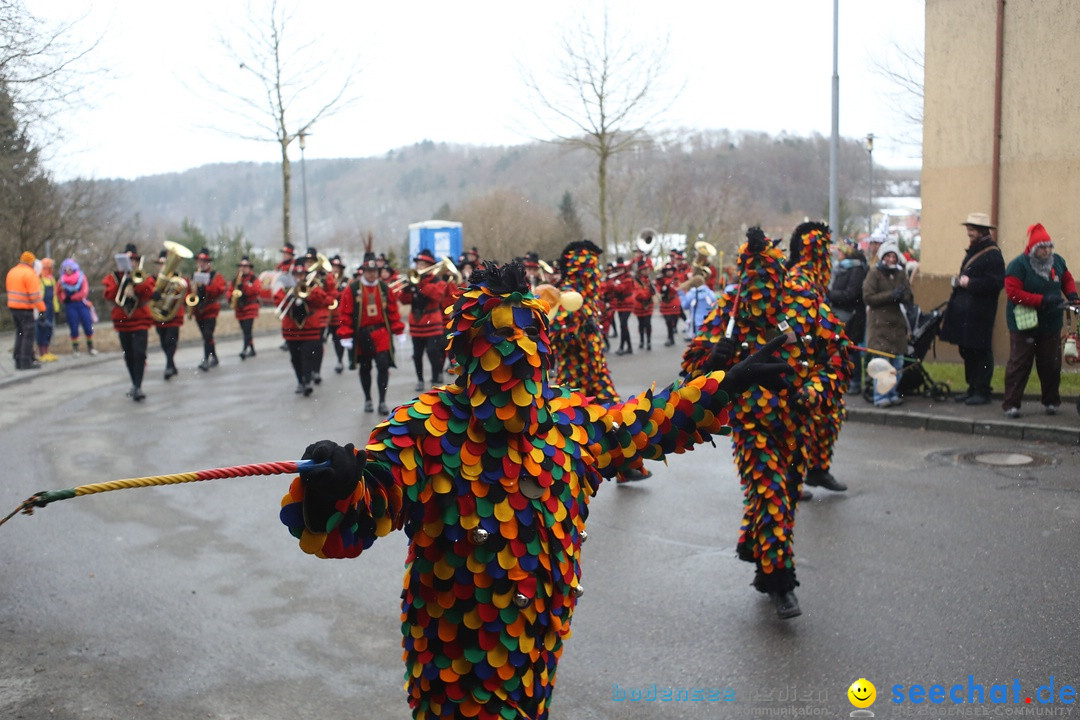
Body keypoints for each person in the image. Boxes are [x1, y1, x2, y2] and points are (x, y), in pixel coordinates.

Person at [281, 260, 790, 720]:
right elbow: (362, 513)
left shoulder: (569, 420)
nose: (515, 359)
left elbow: (643, 424)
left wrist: (726, 383)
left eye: (527, 343)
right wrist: (339, 486)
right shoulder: (423, 428)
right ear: (466, 349)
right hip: (458, 675)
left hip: (537, 657)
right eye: (500, 344)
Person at [681, 227, 851, 619]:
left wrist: (813, 390)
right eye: (750, 276)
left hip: (796, 421)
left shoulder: (806, 304)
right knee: (770, 492)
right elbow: (692, 370)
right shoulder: (730, 307)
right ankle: (779, 581)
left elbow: (837, 359)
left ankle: (754, 545)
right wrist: (713, 359)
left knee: (784, 495)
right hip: (750, 422)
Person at [1001, 223, 1079, 418]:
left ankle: (1051, 401)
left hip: (1050, 323)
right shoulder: (1018, 265)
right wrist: (1042, 300)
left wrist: (1072, 295)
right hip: (1024, 324)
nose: (1046, 251)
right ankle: (1011, 404)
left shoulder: (1057, 262)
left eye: (1048, 247)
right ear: (1034, 249)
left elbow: (1067, 278)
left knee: (1051, 364)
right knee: (1020, 364)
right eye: (1042, 247)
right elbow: (1013, 294)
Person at [940, 212, 1005, 405]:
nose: (969, 231)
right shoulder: (975, 250)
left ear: (983, 231)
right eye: (969, 227)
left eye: (973, 228)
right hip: (968, 311)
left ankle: (982, 390)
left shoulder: (992, 254)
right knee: (967, 349)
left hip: (981, 312)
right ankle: (972, 388)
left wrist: (971, 283)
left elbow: (996, 283)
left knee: (980, 350)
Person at [337, 252, 405, 414]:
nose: (372, 274)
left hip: (381, 333)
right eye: (368, 271)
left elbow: (393, 311)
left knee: (383, 365)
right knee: (365, 367)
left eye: (375, 271)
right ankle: (368, 398)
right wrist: (346, 333)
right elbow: (345, 313)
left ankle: (382, 400)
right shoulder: (352, 289)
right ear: (363, 271)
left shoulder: (384, 289)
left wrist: (398, 330)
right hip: (362, 335)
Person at [862, 241, 914, 407]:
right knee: (882, 364)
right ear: (883, 257)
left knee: (897, 363)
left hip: (896, 325)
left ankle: (893, 392)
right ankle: (880, 396)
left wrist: (902, 296)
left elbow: (909, 296)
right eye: (888, 256)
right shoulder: (874, 274)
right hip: (879, 325)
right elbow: (868, 297)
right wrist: (891, 295)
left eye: (894, 256)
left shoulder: (900, 274)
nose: (891, 259)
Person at [102, 243, 156, 401]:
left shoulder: (142, 276)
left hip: (140, 319)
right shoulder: (113, 277)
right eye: (128, 260)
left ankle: (138, 386)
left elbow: (149, 292)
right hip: (122, 320)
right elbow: (108, 295)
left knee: (140, 353)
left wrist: (136, 287)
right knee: (129, 354)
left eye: (133, 260)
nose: (131, 263)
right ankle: (134, 383)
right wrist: (124, 284)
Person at [275, 259, 333, 396]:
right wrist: (291, 298)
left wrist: (308, 295)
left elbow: (322, 300)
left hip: (309, 327)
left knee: (307, 355)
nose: (299, 277)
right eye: (296, 275)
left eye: (301, 275)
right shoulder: (286, 286)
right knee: (295, 357)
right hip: (291, 327)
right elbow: (278, 300)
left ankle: (307, 381)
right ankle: (300, 381)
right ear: (292, 275)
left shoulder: (313, 286)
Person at [399, 248, 449, 391]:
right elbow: (404, 300)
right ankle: (420, 379)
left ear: (430, 266)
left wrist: (421, 284)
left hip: (432, 322)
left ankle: (436, 374)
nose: (419, 266)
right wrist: (408, 288)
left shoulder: (437, 280)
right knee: (417, 354)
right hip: (416, 323)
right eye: (418, 264)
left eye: (423, 264)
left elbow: (438, 295)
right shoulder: (413, 280)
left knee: (434, 351)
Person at [828, 242, 869, 394]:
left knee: (852, 348)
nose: (837, 253)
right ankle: (845, 379)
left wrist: (829, 294)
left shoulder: (856, 270)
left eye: (840, 251)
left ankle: (855, 381)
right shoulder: (841, 268)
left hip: (853, 315)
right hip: (842, 314)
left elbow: (851, 294)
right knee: (843, 348)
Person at [151, 249, 189, 380]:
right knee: (163, 342)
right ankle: (171, 364)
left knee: (170, 341)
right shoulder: (153, 279)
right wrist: (153, 294)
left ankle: (168, 366)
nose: (162, 266)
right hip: (159, 315)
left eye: (164, 263)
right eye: (160, 263)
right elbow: (146, 292)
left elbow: (181, 294)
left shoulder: (177, 278)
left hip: (173, 316)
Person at [6, 250, 46, 370]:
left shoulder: (12, 272)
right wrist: (42, 309)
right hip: (25, 309)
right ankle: (25, 361)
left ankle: (17, 359)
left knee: (20, 333)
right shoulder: (30, 274)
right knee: (28, 335)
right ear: (31, 262)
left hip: (13, 308)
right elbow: (35, 296)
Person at [190, 248, 227, 371]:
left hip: (210, 309)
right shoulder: (194, 275)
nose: (201, 263)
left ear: (208, 263)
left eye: (204, 261)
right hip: (198, 311)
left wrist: (207, 285)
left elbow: (219, 290)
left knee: (207, 334)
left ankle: (205, 360)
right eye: (199, 261)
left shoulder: (215, 275)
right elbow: (189, 293)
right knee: (206, 336)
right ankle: (214, 357)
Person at [57, 258, 97, 356]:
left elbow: (84, 292)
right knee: (73, 327)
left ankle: (91, 347)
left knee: (88, 325)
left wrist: (72, 297)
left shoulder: (81, 278)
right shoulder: (61, 280)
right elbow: (58, 292)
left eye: (69, 268)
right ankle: (75, 349)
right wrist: (64, 299)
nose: (67, 270)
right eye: (66, 269)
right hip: (70, 306)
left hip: (82, 304)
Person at [231, 255, 262, 360]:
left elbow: (256, 290)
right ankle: (252, 349)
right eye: (241, 266)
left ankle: (244, 350)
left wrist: (244, 287)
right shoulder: (236, 279)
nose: (243, 268)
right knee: (245, 330)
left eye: (245, 266)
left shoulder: (254, 279)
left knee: (247, 330)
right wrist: (230, 297)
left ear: (249, 267)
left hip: (250, 307)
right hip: (239, 308)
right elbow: (230, 290)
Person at [677, 270, 717, 342]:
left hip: (696, 323)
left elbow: (685, 306)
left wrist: (682, 295)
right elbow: (715, 305)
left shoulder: (691, 293)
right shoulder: (710, 293)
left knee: (697, 344)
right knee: (707, 342)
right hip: (709, 321)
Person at [36, 258, 61, 362]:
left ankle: (47, 351)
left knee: (49, 330)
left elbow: (54, 296)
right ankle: (41, 352)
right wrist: (40, 310)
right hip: (42, 308)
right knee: (41, 329)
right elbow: (39, 296)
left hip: (50, 308)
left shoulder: (51, 279)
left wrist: (56, 308)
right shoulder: (39, 279)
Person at [631, 262, 655, 350]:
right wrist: (648, 293)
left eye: (647, 269)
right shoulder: (636, 280)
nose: (647, 271)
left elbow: (651, 291)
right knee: (641, 324)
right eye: (645, 270)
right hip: (640, 305)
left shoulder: (649, 279)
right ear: (640, 271)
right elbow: (638, 293)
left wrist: (651, 291)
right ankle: (642, 340)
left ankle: (648, 341)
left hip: (648, 304)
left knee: (648, 323)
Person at [656, 263, 682, 346]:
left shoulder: (675, 279)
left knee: (672, 319)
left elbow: (675, 289)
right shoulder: (662, 279)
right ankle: (670, 337)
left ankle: (671, 336)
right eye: (667, 271)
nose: (669, 272)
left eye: (670, 270)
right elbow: (659, 290)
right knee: (667, 321)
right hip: (665, 303)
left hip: (673, 302)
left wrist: (667, 283)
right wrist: (659, 282)